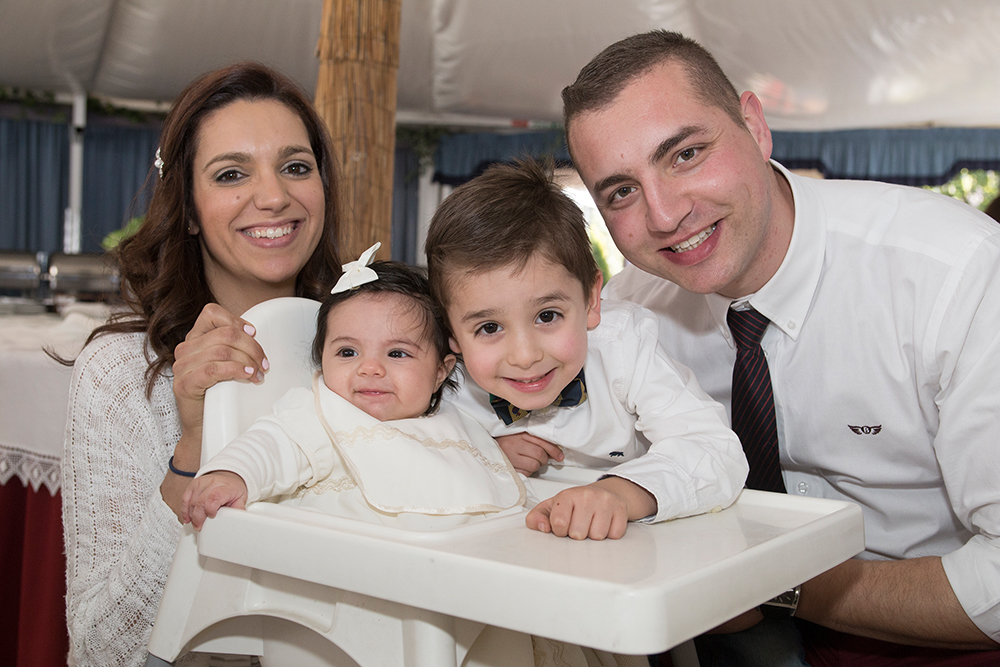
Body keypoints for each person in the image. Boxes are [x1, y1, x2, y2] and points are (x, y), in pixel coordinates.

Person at [562, 29, 1000, 665]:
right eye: (621, 192)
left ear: (754, 126)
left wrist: (776, 587)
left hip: (941, 631)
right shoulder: (628, 316)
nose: (663, 215)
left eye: (684, 155)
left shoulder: (952, 272)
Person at [61, 62, 342, 667]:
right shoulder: (121, 375)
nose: (273, 196)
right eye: (231, 174)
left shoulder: (364, 356)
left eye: (296, 166)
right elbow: (101, 649)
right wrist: (193, 444)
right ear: (188, 209)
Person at [424, 158, 748, 542]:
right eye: (489, 327)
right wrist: (483, 454)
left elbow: (714, 450)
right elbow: (405, 453)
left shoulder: (624, 346)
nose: (525, 356)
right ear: (452, 337)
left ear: (592, 300)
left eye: (547, 316)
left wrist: (621, 493)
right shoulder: (442, 379)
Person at [181, 255, 526, 530]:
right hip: (349, 584)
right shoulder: (320, 416)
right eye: (348, 352)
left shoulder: (453, 420)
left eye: (396, 354)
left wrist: (494, 452)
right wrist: (233, 474)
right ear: (322, 361)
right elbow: (271, 445)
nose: (370, 368)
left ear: (440, 373)